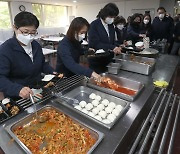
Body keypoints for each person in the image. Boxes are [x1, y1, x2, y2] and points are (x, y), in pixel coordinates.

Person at [0, 12, 54, 99]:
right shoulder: (5, 50)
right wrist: (17, 89)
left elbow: (42, 64)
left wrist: (51, 71)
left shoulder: (35, 45)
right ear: (14, 28)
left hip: (37, 90)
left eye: (33, 33)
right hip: (17, 95)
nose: (29, 36)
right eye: (25, 32)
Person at [88, 3, 121, 73]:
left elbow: (111, 40)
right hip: (97, 60)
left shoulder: (111, 25)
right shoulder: (94, 25)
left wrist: (117, 46)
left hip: (108, 59)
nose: (112, 19)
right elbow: (95, 43)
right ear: (104, 14)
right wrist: (112, 47)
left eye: (114, 17)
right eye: (111, 16)